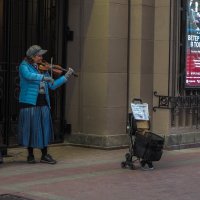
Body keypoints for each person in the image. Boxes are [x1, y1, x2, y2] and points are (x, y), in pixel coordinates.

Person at [18, 45, 74, 164]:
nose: (41, 57)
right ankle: (30, 155)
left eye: (41, 55)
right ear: (32, 57)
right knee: (31, 129)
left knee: (44, 128)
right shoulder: (24, 66)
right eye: (39, 55)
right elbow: (29, 76)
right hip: (29, 103)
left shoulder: (42, 68)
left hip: (43, 102)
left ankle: (44, 155)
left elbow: (52, 85)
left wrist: (66, 76)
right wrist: (43, 76)